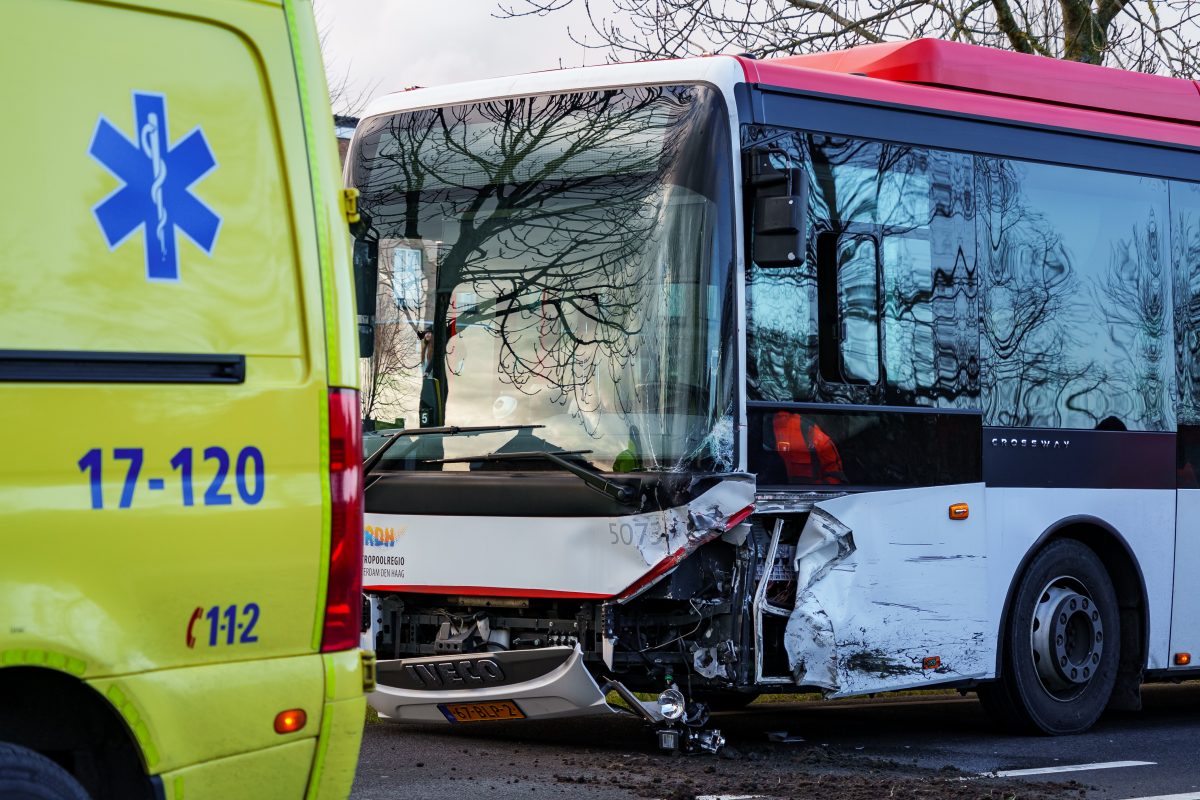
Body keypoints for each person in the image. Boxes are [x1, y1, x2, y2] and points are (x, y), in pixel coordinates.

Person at [770, 411, 846, 484]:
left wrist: (815, 489)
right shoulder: (810, 431)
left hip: (811, 491)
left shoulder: (811, 433)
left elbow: (835, 476)